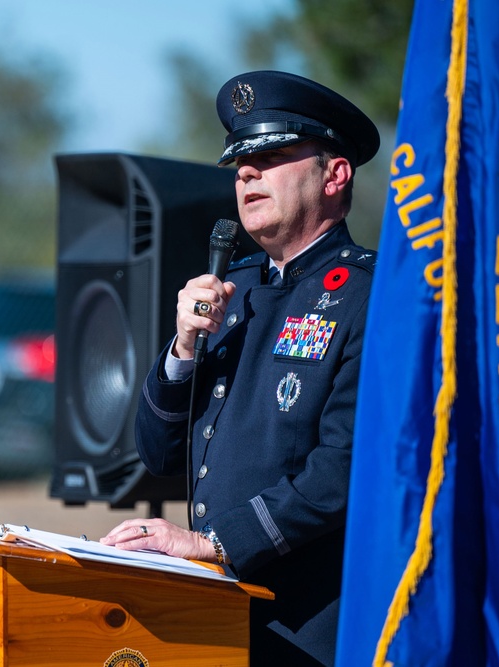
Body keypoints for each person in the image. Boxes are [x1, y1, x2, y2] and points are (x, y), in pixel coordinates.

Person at [100, 70, 380, 665]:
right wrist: (180, 352)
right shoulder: (236, 289)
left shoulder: (372, 295)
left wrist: (216, 543)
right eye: (241, 164)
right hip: (216, 616)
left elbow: (346, 467)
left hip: (310, 629)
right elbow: (158, 454)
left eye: (273, 156)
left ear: (335, 175)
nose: (247, 173)